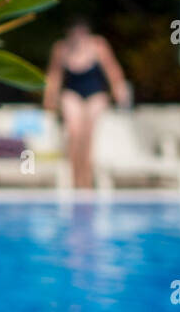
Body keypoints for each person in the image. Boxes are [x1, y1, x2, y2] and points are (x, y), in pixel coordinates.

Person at [44, 20, 130, 188]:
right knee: (74, 132)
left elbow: (112, 70)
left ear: (87, 32)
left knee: (88, 133)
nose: (78, 36)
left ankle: (86, 180)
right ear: (69, 33)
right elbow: (54, 75)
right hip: (72, 92)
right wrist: (49, 98)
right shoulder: (61, 48)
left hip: (95, 93)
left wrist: (119, 91)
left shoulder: (98, 45)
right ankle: (74, 177)